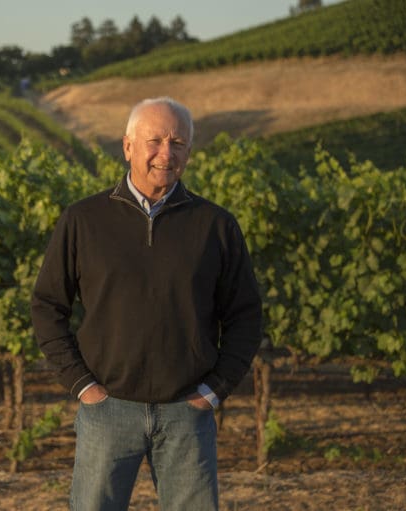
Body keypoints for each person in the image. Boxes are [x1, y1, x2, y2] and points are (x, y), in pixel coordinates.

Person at [30, 97, 263, 511]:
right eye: (154, 140)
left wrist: (213, 392)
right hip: (107, 411)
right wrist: (84, 388)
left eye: (178, 142)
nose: (166, 153)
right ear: (128, 147)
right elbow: (48, 306)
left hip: (187, 413)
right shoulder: (84, 220)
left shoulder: (216, 225)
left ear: (189, 152)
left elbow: (246, 316)